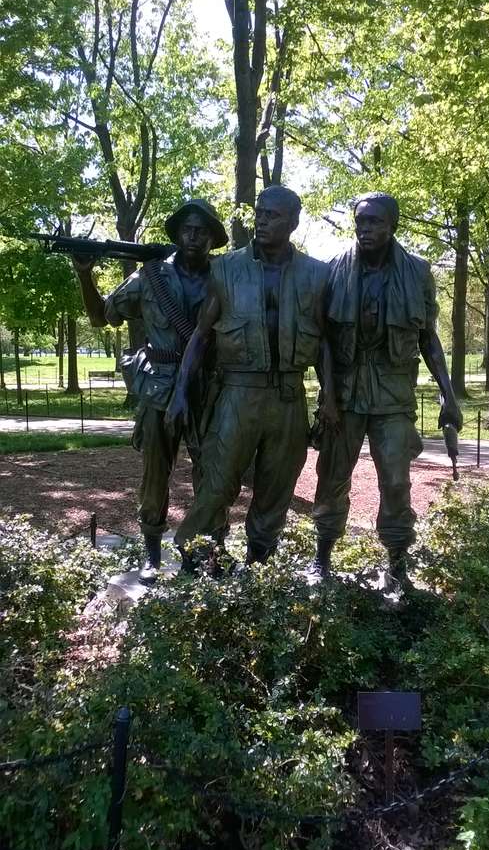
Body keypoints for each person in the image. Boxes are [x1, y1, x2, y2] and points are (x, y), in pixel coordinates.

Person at [165, 184, 337, 567]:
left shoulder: (317, 274)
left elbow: (325, 341)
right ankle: (196, 560)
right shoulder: (225, 268)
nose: (261, 220)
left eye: (272, 215)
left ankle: (259, 569)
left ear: (292, 222)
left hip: (290, 398)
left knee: (276, 491)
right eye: (259, 213)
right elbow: (201, 336)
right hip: (237, 395)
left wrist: (330, 398)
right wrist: (180, 392)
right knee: (216, 484)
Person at [73, 199, 229, 581]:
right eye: (187, 229)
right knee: (155, 475)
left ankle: (208, 550)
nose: (194, 236)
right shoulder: (150, 278)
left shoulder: (226, 278)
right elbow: (99, 317)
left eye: (202, 230)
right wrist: (84, 275)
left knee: (213, 475)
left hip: (209, 389)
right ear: (176, 234)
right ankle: (152, 555)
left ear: (212, 238)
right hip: (159, 387)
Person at [311, 192, 462, 584]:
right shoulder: (332, 270)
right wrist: (326, 396)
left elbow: (429, 338)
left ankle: (397, 566)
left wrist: (448, 395)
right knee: (332, 476)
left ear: (392, 224)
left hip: (394, 393)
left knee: (396, 480)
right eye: (360, 222)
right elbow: (322, 339)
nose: (366, 229)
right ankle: (321, 560)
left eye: (375, 222)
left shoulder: (417, 271)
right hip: (343, 394)